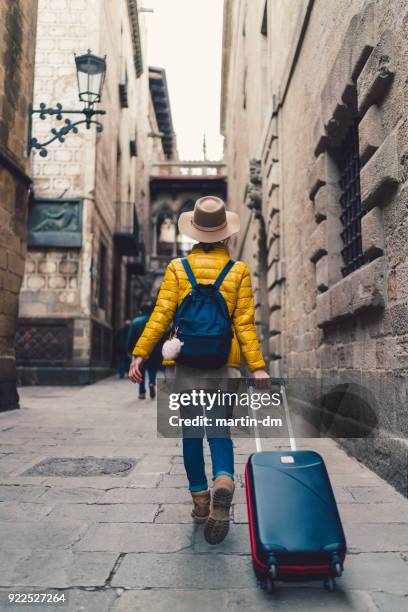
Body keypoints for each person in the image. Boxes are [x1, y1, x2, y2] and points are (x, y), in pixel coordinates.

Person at [129, 196, 269, 544]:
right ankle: (224, 478)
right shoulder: (238, 271)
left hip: (187, 363)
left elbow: (161, 315)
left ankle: (201, 501)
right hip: (225, 364)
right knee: (219, 430)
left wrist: (140, 354)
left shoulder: (178, 268)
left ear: (195, 235)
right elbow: (245, 324)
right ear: (226, 235)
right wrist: (259, 367)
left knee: (191, 435)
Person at [127, 304, 163, 399]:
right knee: (152, 369)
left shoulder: (135, 322)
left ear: (140, 311)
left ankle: (142, 392)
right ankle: (152, 383)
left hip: (139, 349)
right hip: (153, 350)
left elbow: (130, 337)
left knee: (140, 370)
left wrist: (129, 350)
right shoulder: (154, 322)